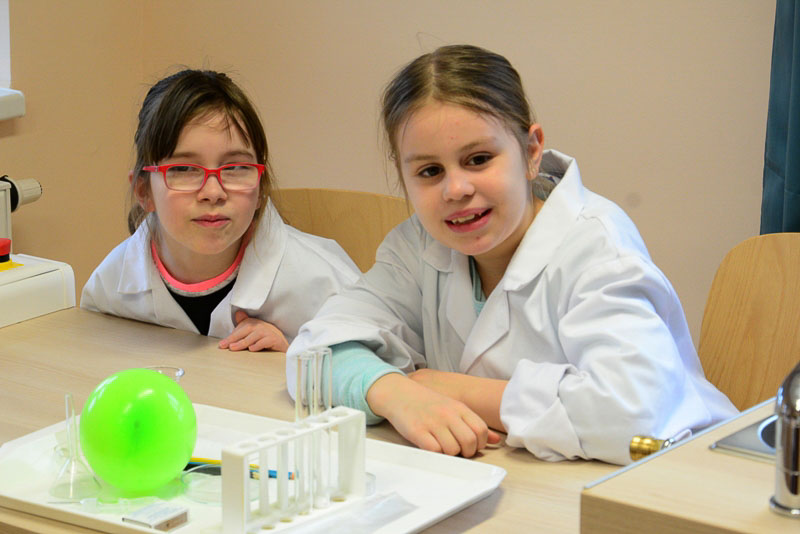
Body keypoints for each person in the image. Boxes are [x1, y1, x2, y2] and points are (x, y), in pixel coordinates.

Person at [287, 44, 738, 465]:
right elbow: (314, 354)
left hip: (682, 475)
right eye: (429, 171)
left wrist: (450, 389)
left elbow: (635, 415)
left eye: (479, 159)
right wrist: (395, 393)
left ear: (531, 151)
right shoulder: (417, 246)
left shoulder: (596, 246)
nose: (456, 189)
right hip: (526, 476)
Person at [81, 69, 359, 352]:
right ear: (144, 191)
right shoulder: (110, 287)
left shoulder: (326, 284)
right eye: (184, 169)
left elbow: (378, 365)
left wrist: (293, 353)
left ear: (261, 187)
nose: (213, 192)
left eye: (236, 167)